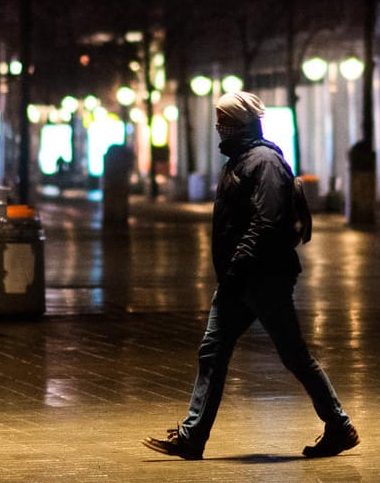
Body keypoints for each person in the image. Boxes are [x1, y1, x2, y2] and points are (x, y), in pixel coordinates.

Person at [143, 90, 359, 460]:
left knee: (293, 354)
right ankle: (192, 436)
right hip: (240, 277)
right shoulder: (242, 159)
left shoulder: (263, 162)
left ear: (241, 124)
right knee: (213, 350)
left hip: (262, 277)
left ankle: (339, 425)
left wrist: (239, 263)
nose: (218, 128)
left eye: (224, 121)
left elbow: (267, 219)